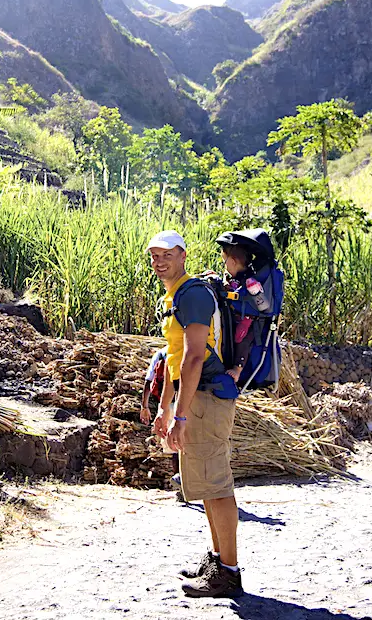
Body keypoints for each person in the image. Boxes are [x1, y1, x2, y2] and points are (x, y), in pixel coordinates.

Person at [147, 229, 242, 599]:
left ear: (182, 255)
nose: (159, 261)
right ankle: (217, 560)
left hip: (206, 398)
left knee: (216, 486)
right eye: (154, 255)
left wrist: (181, 414)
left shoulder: (194, 294)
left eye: (166, 254)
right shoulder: (172, 297)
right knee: (204, 485)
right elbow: (173, 360)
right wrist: (164, 406)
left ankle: (229, 573)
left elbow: (194, 357)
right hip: (192, 397)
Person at [140, 346, 181, 489]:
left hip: (167, 404)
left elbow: (148, 381)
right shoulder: (190, 349)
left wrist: (144, 406)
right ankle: (188, 482)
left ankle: (180, 482)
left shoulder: (162, 353)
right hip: (187, 403)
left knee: (175, 446)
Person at [220, 242, 256, 383]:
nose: (225, 267)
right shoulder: (233, 277)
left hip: (247, 320)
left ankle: (237, 369)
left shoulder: (248, 279)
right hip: (234, 316)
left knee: (242, 340)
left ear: (233, 262)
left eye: (225, 263)